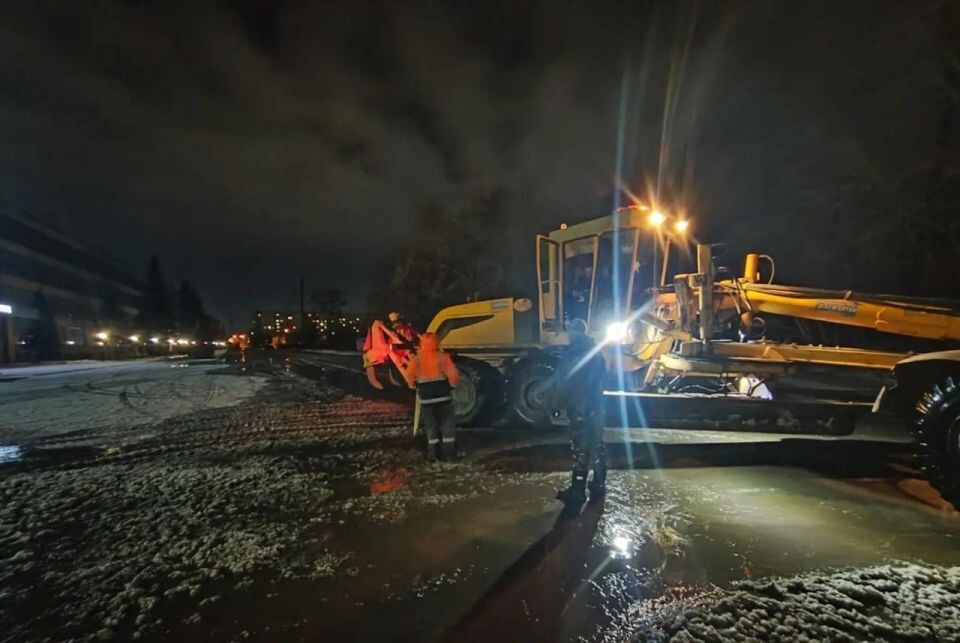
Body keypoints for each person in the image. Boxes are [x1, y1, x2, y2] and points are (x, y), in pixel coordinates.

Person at [550, 318, 608, 507]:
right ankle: (598, 484)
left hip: (579, 406)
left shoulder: (573, 353)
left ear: (573, 333)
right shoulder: (597, 351)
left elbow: (564, 382)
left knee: (580, 447)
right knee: (597, 443)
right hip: (596, 404)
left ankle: (577, 490)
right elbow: (604, 377)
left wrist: (556, 404)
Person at [405, 332, 461, 461]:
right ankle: (449, 453)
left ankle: (433, 453)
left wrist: (412, 385)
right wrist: (452, 385)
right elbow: (453, 375)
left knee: (431, 424)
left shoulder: (416, 359)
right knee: (447, 423)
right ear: (436, 342)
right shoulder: (442, 357)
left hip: (426, 397)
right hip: (443, 395)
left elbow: (409, 375)